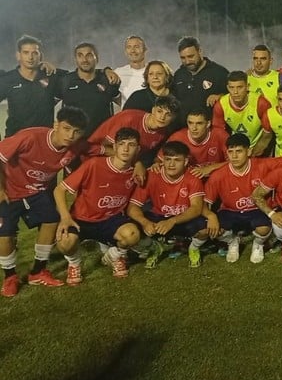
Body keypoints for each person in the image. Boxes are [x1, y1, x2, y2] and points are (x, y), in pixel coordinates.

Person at [0, 107, 89, 296]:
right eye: (66, 128)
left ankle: (38, 272)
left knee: (51, 219)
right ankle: (10, 277)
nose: (70, 135)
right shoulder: (30, 137)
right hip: (9, 191)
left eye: (76, 132)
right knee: (5, 234)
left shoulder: (76, 146)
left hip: (36, 192)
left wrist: (137, 163)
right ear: (56, 125)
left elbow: (103, 148)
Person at [54, 128, 143, 282]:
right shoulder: (94, 165)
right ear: (114, 147)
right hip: (81, 218)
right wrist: (65, 218)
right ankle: (74, 264)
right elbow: (59, 190)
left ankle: (115, 256)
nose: (126, 149)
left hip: (110, 220)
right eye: (121, 144)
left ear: (138, 149)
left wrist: (140, 165)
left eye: (131, 145)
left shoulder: (136, 173)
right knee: (65, 242)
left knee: (132, 235)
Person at [202, 133, 282, 264]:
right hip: (230, 210)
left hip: (257, 209)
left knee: (263, 228)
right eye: (230, 152)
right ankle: (232, 242)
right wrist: (210, 216)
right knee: (213, 228)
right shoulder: (218, 175)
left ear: (249, 151)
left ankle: (258, 244)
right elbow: (205, 203)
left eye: (239, 151)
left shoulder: (263, 165)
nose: (234, 156)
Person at [127, 141, 208, 268]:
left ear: (186, 161)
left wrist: (172, 221)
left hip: (182, 218)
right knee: (130, 229)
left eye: (177, 160)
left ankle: (193, 248)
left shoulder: (193, 176)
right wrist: (145, 222)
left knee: (205, 229)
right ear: (162, 160)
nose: (171, 164)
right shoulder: (152, 175)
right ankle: (154, 247)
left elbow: (196, 208)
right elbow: (132, 206)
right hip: (158, 217)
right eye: (168, 159)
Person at [86, 96, 179, 170]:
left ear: (173, 118)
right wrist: (136, 163)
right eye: (159, 111)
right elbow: (103, 146)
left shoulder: (163, 133)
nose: (162, 117)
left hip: (126, 163)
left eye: (168, 114)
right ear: (153, 110)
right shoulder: (129, 118)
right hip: (94, 157)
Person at [0, 35, 66, 137]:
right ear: (18, 55)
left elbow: (77, 81)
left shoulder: (51, 76)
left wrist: (55, 70)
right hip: (16, 139)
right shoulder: (8, 79)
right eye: (26, 52)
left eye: (35, 53)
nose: (30, 57)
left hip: (44, 138)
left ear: (41, 56)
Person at [54, 42, 120, 136]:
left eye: (89, 55)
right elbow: (52, 107)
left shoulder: (107, 80)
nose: (84, 60)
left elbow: (119, 105)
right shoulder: (65, 81)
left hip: (101, 139)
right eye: (80, 55)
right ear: (75, 59)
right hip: (73, 139)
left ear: (96, 58)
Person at [173, 36, 229, 129]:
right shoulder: (179, 74)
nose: (187, 61)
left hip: (211, 130)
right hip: (184, 130)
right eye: (183, 58)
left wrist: (220, 96)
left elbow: (234, 96)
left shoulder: (219, 73)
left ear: (200, 51)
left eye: (190, 56)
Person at [212, 70, 272, 156]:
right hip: (236, 148)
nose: (235, 92)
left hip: (259, 147)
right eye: (232, 87)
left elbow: (268, 134)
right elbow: (219, 133)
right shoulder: (221, 105)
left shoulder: (261, 103)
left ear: (247, 87)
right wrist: (232, 153)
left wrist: (254, 152)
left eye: (240, 87)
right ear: (227, 88)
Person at [162, 108, 228, 179]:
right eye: (190, 123)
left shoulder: (220, 135)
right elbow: (160, 159)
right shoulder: (177, 137)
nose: (194, 128)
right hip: (189, 179)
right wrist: (156, 164)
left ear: (208, 124)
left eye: (199, 123)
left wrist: (211, 168)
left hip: (216, 177)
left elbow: (234, 162)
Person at [115, 35, 149, 108]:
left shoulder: (153, 71)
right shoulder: (118, 73)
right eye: (129, 47)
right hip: (128, 114)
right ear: (125, 52)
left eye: (136, 47)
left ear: (145, 50)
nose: (133, 50)